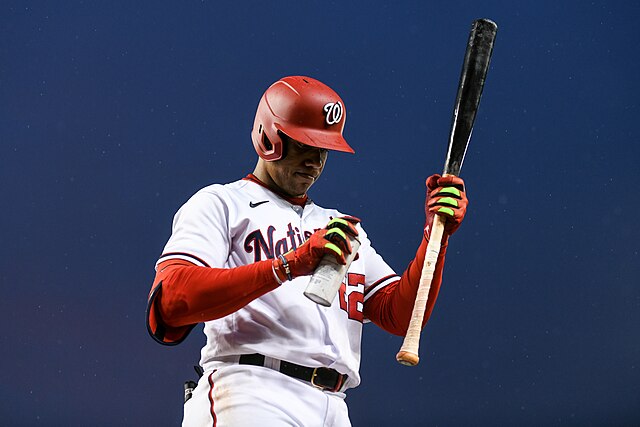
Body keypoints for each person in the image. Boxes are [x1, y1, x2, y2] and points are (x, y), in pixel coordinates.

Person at [146, 75, 468, 426]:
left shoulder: (339, 225)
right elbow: (171, 303)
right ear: (270, 137)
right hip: (251, 390)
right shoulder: (222, 203)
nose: (316, 160)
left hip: (334, 403)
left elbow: (400, 316)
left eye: (323, 148)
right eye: (304, 144)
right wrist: (288, 265)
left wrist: (435, 237)